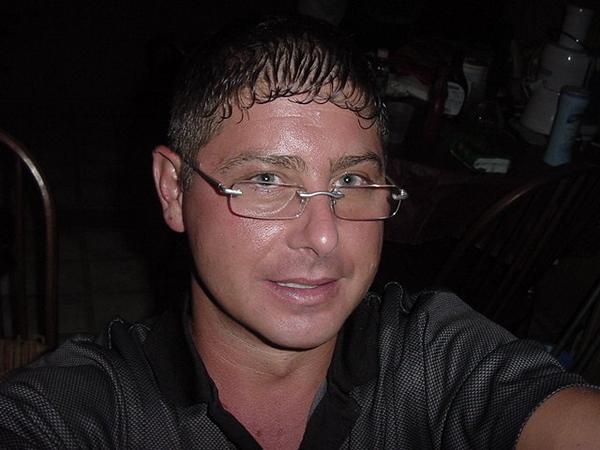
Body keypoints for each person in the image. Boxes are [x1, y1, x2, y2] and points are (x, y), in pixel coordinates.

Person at [1, 14, 599, 450]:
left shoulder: (435, 358)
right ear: (173, 189)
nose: (324, 237)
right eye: (266, 179)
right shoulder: (87, 409)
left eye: (352, 181)